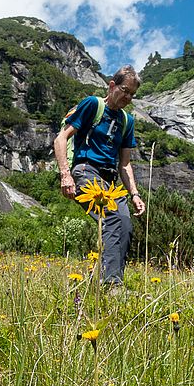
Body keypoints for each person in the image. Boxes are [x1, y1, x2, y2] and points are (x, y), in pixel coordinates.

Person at [52, 66, 146, 288]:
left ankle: (111, 280)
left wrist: (134, 194)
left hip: (110, 181)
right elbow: (61, 138)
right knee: (112, 219)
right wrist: (65, 175)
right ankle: (112, 286)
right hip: (85, 172)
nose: (128, 97)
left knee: (124, 224)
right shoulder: (93, 105)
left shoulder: (127, 121)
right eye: (124, 90)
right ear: (112, 85)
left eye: (132, 94)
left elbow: (125, 164)